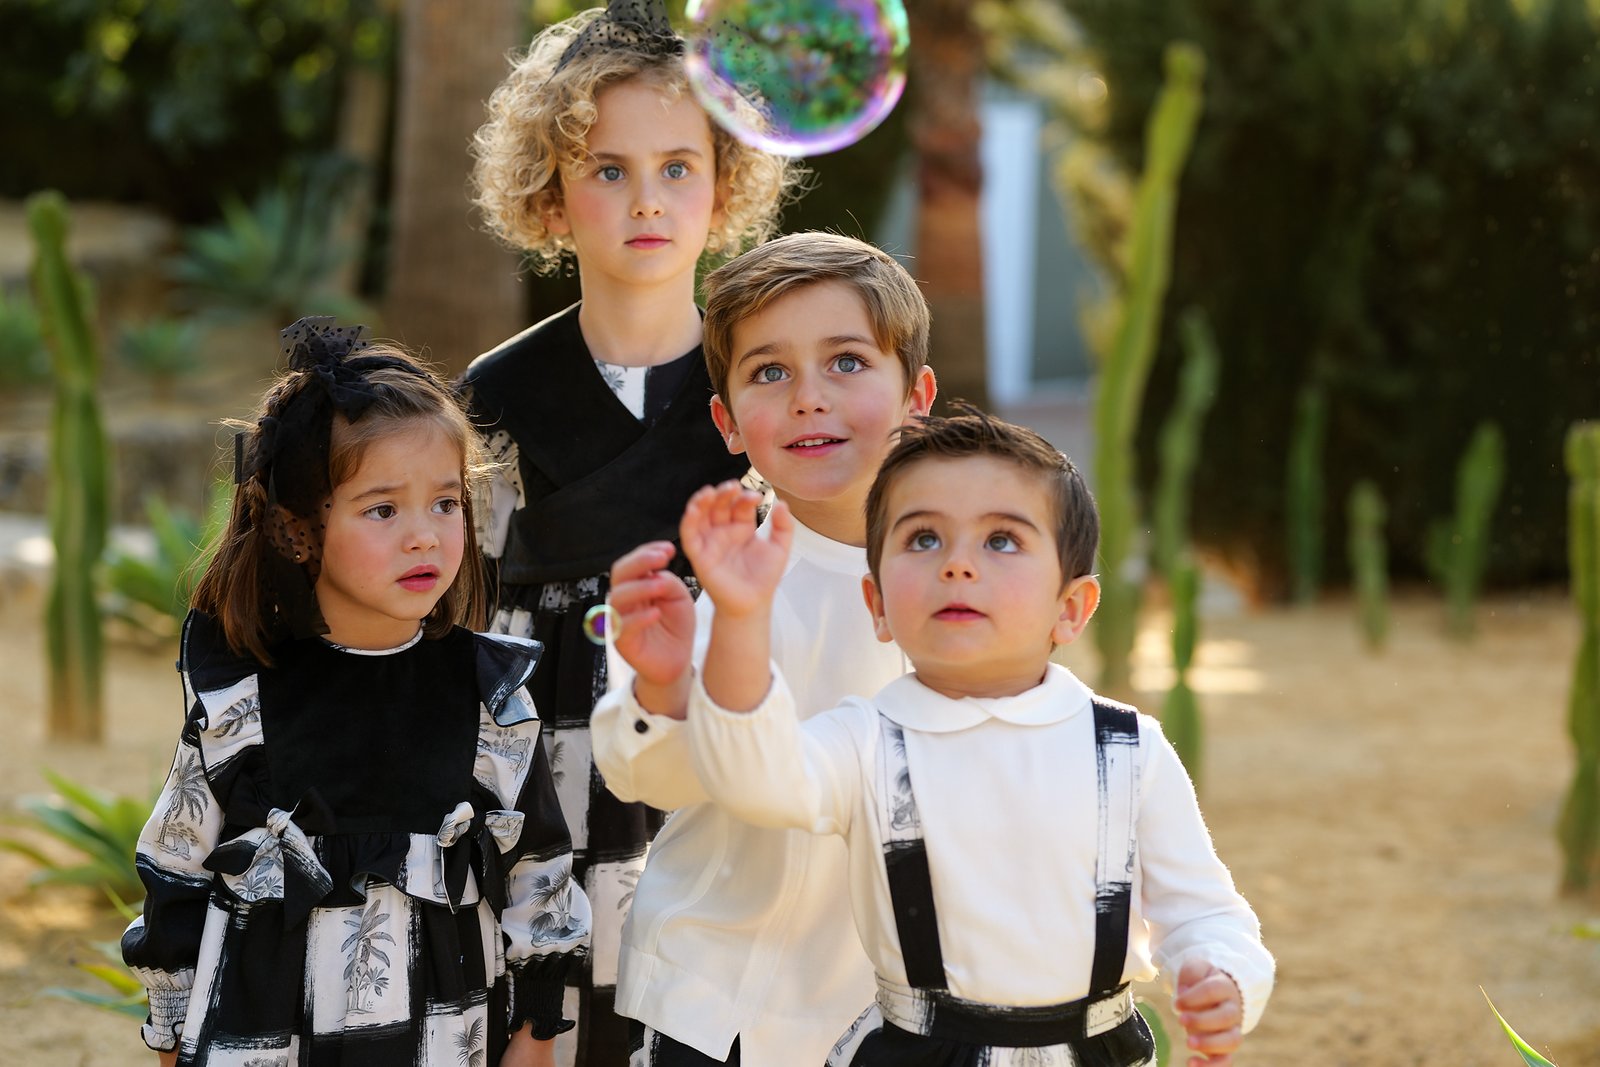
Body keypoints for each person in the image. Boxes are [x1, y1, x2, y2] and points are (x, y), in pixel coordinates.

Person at [680, 409, 1276, 1067]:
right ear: (878, 604)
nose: (958, 564)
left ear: (1070, 608)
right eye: (924, 538)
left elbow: (1204, 912)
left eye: (1001, 541)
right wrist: (740, 618)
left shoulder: (1127, 749)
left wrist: (1222, 974)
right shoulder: (866, 742)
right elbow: (755, 778)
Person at [459, 3, 799, 1057]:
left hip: (717, 753)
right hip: (545, 773)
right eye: (607, 170)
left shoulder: (763, 382)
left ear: (725, 183)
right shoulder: (495, 396)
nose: (646, 199)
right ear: (549, 193)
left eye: (677, 167)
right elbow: (462, 620)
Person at [121, 319, 590, 1067]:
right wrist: (171, 1031)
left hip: (445, 1037)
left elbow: (540, 872)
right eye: (383, 509)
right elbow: (175, 864)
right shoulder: (242, 696)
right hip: (264, 1037)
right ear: (300, 530)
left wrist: (536, 1033)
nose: (425, 535)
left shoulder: (489, 696)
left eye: (445, 503)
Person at [592, 231, 937, 1066]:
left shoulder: (964, 579)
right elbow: (653, 778)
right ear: (728, 422)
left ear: (916, 395)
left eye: (847, 362)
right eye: (770, 372)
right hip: (728, 1004)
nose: (808, 398)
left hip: (902, 1007)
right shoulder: (726, 583)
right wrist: (665, 687)